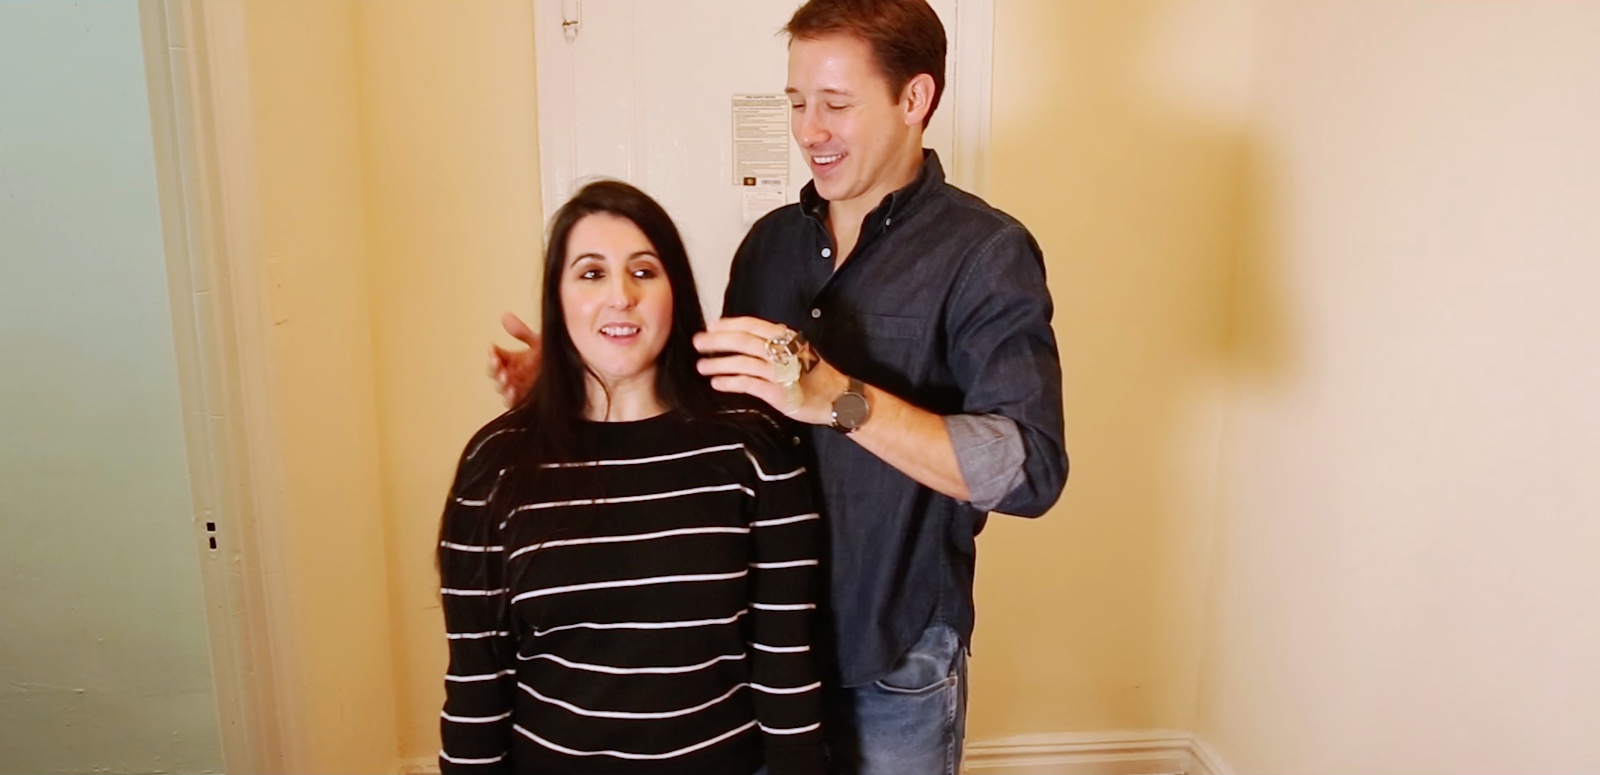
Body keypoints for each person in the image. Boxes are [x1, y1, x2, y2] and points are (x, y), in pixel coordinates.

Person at [490, 2, 1068, 772]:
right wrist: (577, 377)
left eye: (836, 104)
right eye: (797, 102)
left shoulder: (985, 253)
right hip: (750, 652)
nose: (809, 130)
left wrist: (838, 399)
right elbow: (706, 408)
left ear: (914, 98)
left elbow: (1029, 469)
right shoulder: (768, 246)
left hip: (891, 659)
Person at [441, 180, 827, 775]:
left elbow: (785, 664)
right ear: (558, 299)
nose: (620, 296)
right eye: (591, 274)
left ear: (676, 293)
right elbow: (477, 684)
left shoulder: (754, 448)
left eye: (644, 272)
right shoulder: (495, 464)